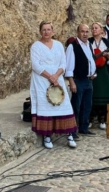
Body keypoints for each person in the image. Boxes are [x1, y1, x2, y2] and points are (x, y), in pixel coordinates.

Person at [30, 21, 77, 149]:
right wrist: (49, 76)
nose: (46, 32)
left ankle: (69, 135)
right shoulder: (36, 46)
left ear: (53, 31)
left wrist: (56, 76)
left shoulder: (58, 45)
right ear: (40, 32)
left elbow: (63, 62)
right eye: (44, 30)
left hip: (58, 79)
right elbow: (35, 65)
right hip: (42, 80)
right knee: (47, 107)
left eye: (49, 29)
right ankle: (47, 136)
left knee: (63, 105)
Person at [65, 24, 97, 136]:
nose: (85, 34)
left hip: (89, 80)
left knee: (87, 105)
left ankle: (83, 127)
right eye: (82, 31)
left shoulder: (89, 45)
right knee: (76, 106)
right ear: (78, 32)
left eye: (87, 32)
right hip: (78, 80)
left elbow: (91, 61)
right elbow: (68, 66)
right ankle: (72, 131)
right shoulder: (72, 46)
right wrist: (71, 81)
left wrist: (94, 73)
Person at [88, 22, 109, 130]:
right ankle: (90, 118)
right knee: (92, 94)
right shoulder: (89, 42)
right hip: (91, 70)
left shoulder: (107, 42)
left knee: (103, 93)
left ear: (101, 30)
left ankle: (102, 118)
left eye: (96, 28)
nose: (94, 30)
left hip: (103, 70)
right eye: (92, 28)